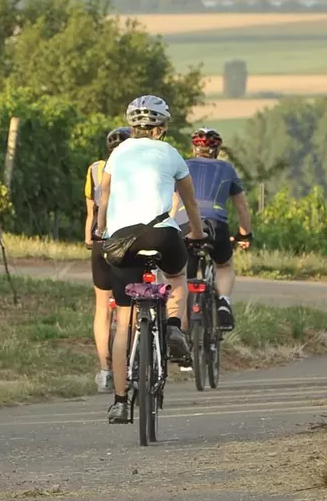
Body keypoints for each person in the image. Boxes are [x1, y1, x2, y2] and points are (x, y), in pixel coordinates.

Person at [98, 95, 206, 424]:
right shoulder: (171, 154)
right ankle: (174, 326)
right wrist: (198, 235)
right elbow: (190, 203)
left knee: (123, 322)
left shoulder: (116, 154)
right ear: (162, 128)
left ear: (132, 127)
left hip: (120, 240)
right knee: (176, 277)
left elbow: (104, 198)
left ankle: (119, 401)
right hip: (162, 233)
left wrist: (102, 230)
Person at [174, 128, 254, 331]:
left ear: (194, 148)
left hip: (186, 226)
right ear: (217, 149)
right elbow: (242, 206)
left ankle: (180, 333)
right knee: (224, 265)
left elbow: (173, 204)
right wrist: (245, 233)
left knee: (182, 277)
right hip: (216, 225)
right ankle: (224, 302)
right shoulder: (227, 169)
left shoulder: (182, 165)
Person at [84, 126, 134, 393]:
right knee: (131, 308)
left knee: (102, 309)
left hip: (100, 242)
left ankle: (104, 371)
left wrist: (89, 238)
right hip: (128, 240)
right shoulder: (136, 168)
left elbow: (91, 209)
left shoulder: (95, 169)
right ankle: (133, 364)